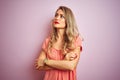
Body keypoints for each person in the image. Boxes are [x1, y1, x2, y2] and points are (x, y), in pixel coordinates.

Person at [35, 6, 83, 80]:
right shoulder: (48, 41)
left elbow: (71, 66)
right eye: (56, 15)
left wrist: (46, 61)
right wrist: (64, 61)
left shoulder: (75, 40)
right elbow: (39, 65)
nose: (57, 18)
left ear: (68, 21)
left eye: (62, 16)